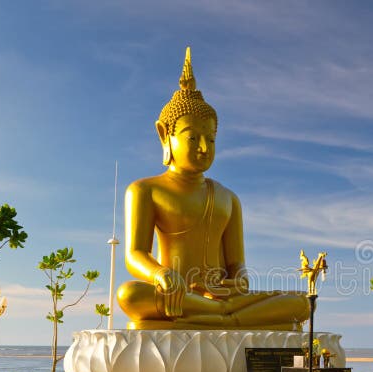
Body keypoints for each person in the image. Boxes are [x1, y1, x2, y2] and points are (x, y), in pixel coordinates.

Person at [117, 48, 309, 330]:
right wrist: (161, 274)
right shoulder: (145, 190)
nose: (204, 148)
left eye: (211, 139)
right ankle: (228, 318)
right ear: (164, 136)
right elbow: (135, 254)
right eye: (193, 138)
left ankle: (221, 314)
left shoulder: (229, 198)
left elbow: (237, 265)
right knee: (130, 295)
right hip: (177, 294)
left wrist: (239, 279)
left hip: (220, 298)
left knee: (302, 303)